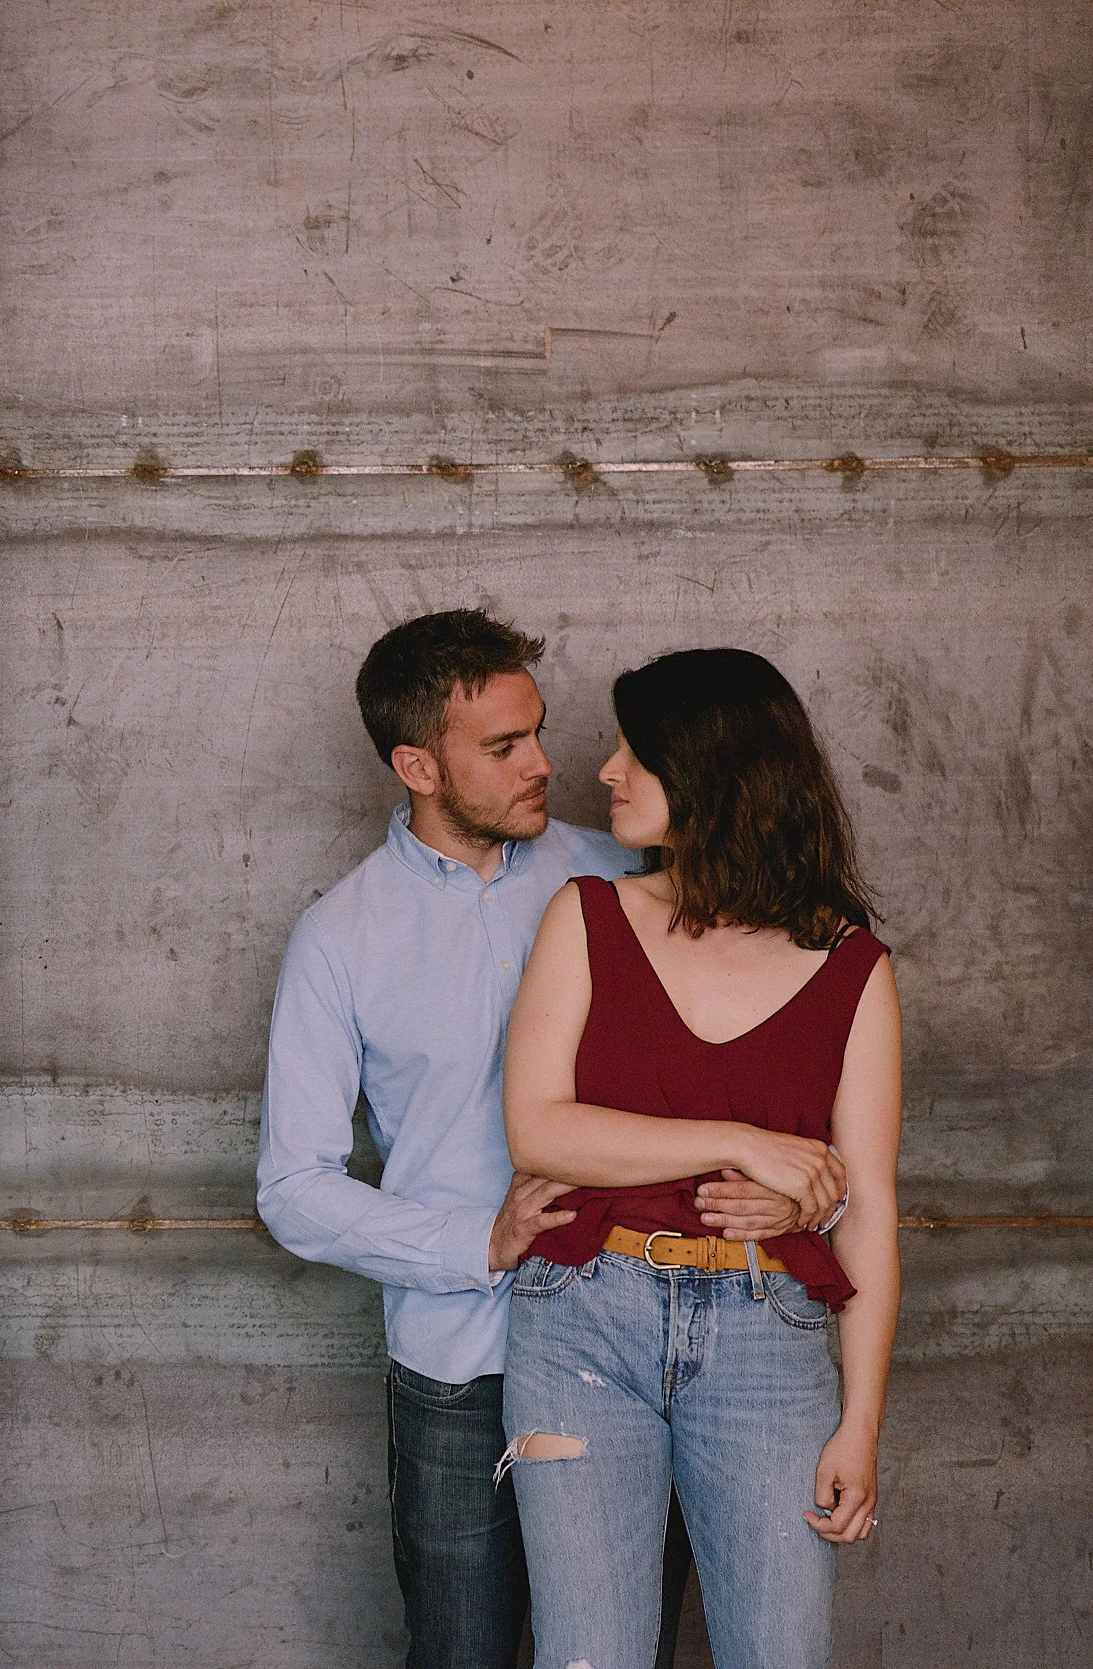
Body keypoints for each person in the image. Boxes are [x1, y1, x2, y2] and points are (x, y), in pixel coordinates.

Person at [256, 611, 809, 1669]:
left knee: (620, 1650)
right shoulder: (340, 937)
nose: (546, 763)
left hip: (631, 1350)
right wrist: (475, 1242)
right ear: (418, 766)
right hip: (460, 1364)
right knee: (458, 1651)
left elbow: (754, 1053)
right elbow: (292, 1185)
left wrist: (793, 1184)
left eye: (539, 730)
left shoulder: (623, 879)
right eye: (504, 746)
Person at [500, 648, 897, 1669]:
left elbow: (867, 1208)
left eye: (636, 750)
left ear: (711, 772)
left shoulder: (851, 964)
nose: (605, 769)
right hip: (582, 1322)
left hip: (767, 1335)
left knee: (780, 1654)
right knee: (587, 1656)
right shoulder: (586, 915)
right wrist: (741, 1140)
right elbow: (538, 1131)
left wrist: (860, 1422)